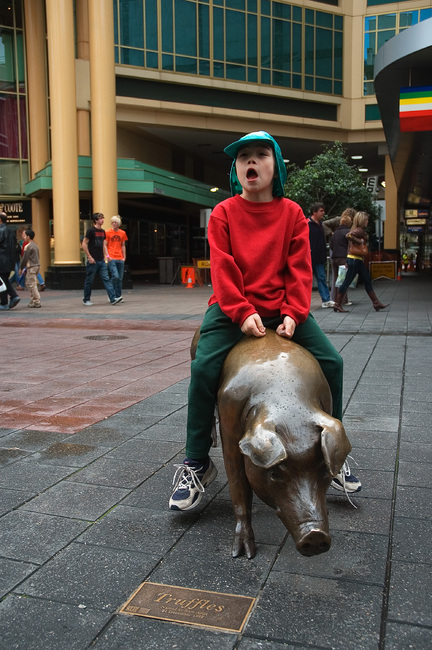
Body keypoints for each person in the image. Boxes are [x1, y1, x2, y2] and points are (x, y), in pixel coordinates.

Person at [169, 131, 361, 512]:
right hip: (231, 309)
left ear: (276, 167)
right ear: (236, 170)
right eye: (243, 158)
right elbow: (223, 270)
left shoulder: (292, 214)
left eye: (260, 155)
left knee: (332, 362)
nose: (251, 162)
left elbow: (299, 270)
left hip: (281, 307)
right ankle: (196, 461)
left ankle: (331, 449)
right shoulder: (223, 213)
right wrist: (242, 312)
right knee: (205, 366)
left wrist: (293, 313)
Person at [333, 211, 389, 313]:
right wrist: (360, 241)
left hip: (355, 259)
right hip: (354, 260)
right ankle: (337, 304)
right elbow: (348, 236)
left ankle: (376, 303)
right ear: (362, 220)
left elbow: (349, 244)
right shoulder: (359, 230)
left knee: (366, 280)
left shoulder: (357, 229)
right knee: (347, 282)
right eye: (366, 220)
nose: (367, 221)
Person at [81, 213, 122, 306]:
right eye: (100, 218)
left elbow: (104, 245)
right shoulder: (91, 231)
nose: (102, 220)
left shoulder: (103, 232)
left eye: (103, 218)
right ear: (96, 220)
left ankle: (112, 298)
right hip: (93, 260)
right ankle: (86, 299)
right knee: (89, 280)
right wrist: (89, 257)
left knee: (106, 279)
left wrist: (106, 256)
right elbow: (84, 243)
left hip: (101, 260)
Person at [308, 202, 334, 308]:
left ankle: (326, 299)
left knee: (321, 277)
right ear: (315, 212)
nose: (323, 213)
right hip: (310, 256)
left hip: (318, 256)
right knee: (308, 280)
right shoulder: (307, 223)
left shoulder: (320, 224)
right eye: (321, 211)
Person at [329, 208, 355, 303]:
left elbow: (331, 245)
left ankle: (336, 299)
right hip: (343, 257)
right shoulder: (349, 233)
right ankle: (343, 300)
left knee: (336, 279)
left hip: (334, 257)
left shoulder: (335, 233)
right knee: (344, 279)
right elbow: (350, 246)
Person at [104, 215, 128, 301]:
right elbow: (105, 245)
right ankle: (111, 294)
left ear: (119, 224)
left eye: (116, 222)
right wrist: (107, 256)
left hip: (120, 257)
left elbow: (123, 245)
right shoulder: (107, 232)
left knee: (120, 278)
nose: (114, 224)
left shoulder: (122, 233)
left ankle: (118, 295)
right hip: (112, 257)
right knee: (115, 276)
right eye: (113, 222)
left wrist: (124, 257)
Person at [0, 212, 21, 311]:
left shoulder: (1, 230)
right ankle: (6, 301)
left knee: (3, 281)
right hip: (9, 261)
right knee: (3, 280)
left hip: (2, 260)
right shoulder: (11, 231)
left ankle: (10, 298)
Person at [19, 229, 41, 308]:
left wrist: (21, 268)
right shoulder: (35, 245)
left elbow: (24, 258)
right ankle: (33, 300)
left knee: (32, 284)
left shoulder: (28, 246)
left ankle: (36, 301)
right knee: (31, 283)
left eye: (25, 236)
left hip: (31, 267)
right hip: (36, 266)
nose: (24, 237)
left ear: (28, 236)